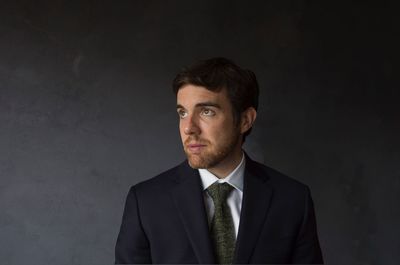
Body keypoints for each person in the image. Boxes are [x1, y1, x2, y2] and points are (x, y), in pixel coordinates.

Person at [115, 57, 323, 264]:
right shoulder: (146, 202)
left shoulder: (292, 200)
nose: (189, 128)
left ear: (245, 120)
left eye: (207, 111)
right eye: (182, 112)